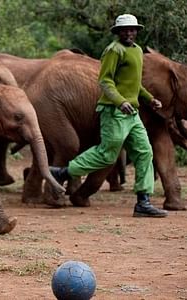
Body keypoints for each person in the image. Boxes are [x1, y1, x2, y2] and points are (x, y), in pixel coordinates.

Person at [50, 14, 168, 218]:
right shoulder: (114, 51)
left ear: (136, 31)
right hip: (114, 112)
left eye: (132, 29)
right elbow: (105, 81)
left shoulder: (138, 51)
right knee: (107, 154)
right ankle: (62, 173)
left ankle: (143, 201)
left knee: (144, 152)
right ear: (118, 32)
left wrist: (150, 99)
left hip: (132, 113)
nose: (129, 33)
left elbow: (134, 83)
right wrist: (119, 102)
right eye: (124, 30)